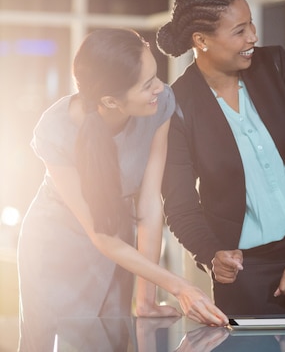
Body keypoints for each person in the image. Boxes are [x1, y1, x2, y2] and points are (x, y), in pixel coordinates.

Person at [17, 28, 228, 352]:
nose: (160, 88)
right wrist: (179, 286)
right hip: (56, 248)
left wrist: (145, 299)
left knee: (112, 342)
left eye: (155, 76)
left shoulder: (160, 104)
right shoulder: (56, 129)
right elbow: (99, 234)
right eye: (147, 85)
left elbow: (148, 208)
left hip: (119, 245)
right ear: (110, 100)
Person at [157, 0, 285, 315]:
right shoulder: (178, 105)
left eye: (251, 24)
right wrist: (211, 253)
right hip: (243, 276)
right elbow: (180, 203)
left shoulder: (277, 66)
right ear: (202, 40)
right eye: (239, 30)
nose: (253, 37)